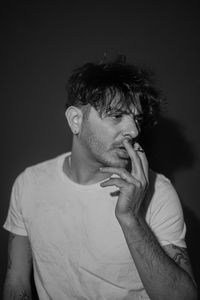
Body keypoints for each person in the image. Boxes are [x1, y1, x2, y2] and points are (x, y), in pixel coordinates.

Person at [3, 56, 198, 300]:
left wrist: (131, 219)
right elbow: (17, 282)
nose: (134, 131)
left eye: (136, 119)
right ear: (76, 120)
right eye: (117, 115)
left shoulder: (158, 190)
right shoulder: (29, 183)